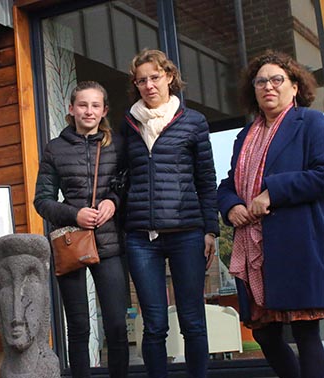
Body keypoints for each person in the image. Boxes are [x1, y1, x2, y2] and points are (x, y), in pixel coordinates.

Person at [218, 50, 324, 377]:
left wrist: (272, 193)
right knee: (263, 332)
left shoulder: (311, 122)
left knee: (305, 330)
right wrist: (231, 205)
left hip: (295, 239)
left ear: (294, 86)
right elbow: (228, 183)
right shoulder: (244, 136)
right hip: (253, 246)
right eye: (261, 81)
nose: (268, 87)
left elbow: (322, 173)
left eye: (277, 80)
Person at [121, 49, 218, 378]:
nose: (148, 85)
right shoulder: (129, 124)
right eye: (141, 80)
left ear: (170, 77)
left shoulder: (193, 122)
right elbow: (121, 177)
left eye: (154, 77)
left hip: (187, 233)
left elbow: (206, 181)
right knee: (154, 325)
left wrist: (210, 231)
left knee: (192, 321)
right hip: (140, 238)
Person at [34, 81, 129, 377]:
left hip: (110, 244)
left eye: (95, 105)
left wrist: (113, 201)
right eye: (83, 105)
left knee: (116, 324)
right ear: (71, 109)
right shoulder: (55, 148)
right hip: (71, 244)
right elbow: (42, 201)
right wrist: (75, 214)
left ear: (104, 111)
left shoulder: (118, 145)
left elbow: (128, 186)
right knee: (78, 326)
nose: (89, 111)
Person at [0, 234, 60, 378]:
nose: (17, 315)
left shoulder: (48, 368)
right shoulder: (5, 369)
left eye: (30, 281)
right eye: (6, 282)